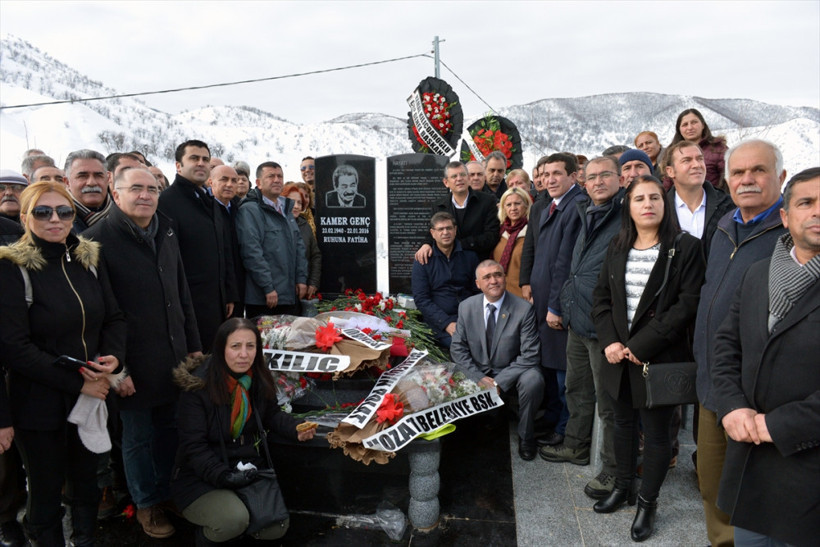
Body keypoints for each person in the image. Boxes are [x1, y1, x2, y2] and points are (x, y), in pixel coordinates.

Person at [0, 181, 126, 546]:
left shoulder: (86, 259)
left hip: (90, 395)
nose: (55, 219)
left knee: (87, 481)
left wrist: (114, 358)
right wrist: (80, 382)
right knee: (45, 488)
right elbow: (13, 348)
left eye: (64, 211)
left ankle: (85, 539)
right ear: (25, 217)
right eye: (43, 211)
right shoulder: (12, 268)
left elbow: (114, 317)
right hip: (38, 402)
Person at [85, 167, 203, 539]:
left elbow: (181, 292)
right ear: (115, 193)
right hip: (131, 364)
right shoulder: (96, 239)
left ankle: (167, 493)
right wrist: (117, 371)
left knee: (170, 428)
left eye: (152, 188)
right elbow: (99, 314)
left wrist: (194, 346)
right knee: (137, 438)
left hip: (173, 355)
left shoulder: (164, 229)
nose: (145, 195)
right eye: (136, 188)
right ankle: (146, 504)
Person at [590, 175, 705, 542]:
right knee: (621, 425)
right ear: (629, 206)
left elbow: (687, 304)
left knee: (656, 435)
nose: (647, 204)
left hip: (655, 358)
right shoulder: (618, 244)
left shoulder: (685, 247)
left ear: (664, 202)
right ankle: (623, 487)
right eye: (639, 198)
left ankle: (647, 502)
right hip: (617, 357)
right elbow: (602, 299)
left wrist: (642, 345)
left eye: (655, 197)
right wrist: (610, 341)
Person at [711, 167, 820, 547]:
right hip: (752, 468)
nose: (817, 212)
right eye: (807, 203)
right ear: (786, 217)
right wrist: (731, 406)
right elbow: (725, 345)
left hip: (808, 467)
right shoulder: (758, 274)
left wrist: (779, 425)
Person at [693, 139, 787, 547]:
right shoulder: (724, 226)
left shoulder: (788, 235)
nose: (746, 179)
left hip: (756, 393)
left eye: (759, 171)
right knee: (712, 480)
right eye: (738, 172)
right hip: (712, 381)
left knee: (752, 490)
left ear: (781, 177)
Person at [171, 318, 315, 544]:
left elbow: (271, 414)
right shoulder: (198, 387)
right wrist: (224, 476)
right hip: (202, 476)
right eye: (235, 346)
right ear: (221, 349)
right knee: (232, 521)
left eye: (250, 346)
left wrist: (296, 429)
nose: (244, 354)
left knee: (275, 528)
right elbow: (193, 447)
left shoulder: (255, 377)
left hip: (244, 466)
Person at [540, 156, 624, 501]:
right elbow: (572, 265)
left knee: (610, 403)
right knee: (577, 389)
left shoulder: (625, 215)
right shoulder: (584, 212)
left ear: (619, 179)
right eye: (593, 177)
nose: (599, 182)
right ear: (584, 182)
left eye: (606, 175)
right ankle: (575, 445)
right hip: (578, 319)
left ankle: (613, 469)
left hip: (605, 324)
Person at [451, 260, 544, 461]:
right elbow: (457, 349)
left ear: (504, 278)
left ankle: (526, 436)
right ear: (478, 284)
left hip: (513, 370)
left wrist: (499, 382)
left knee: (533, 380)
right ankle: (474, 427)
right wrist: (479, 377)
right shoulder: (466, 307)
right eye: (487, 277)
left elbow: (530, 354)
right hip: (480, 370)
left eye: (498, 275)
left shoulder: (523, 309)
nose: (493, 281)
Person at [527, 152, 586, 448]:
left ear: (573, 176)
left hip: (558, 305)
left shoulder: (575, 207)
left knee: (564, 373)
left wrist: (555, 306)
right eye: (546, 174)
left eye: (557, 174)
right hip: (543, 300)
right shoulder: (551, 206)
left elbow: (565, 263)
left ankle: (564, 427)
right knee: (549, 365)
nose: (549, 179)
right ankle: (552, 417)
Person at [158, 140, 237, 350]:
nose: (201, 163)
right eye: (194, 158)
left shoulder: (209, 201)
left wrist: (228, 293)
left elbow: (224, 249)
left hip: (217, 301)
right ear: (178, 165)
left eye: (205, 159)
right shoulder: (166, 203)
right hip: (189, 304)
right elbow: (168, 259)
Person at [236, 162, 307, 317]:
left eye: (280, 176)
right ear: (258, 183)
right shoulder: (250, 210)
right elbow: (251, 252)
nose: (277, 180)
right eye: (271, 176)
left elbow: (299, 246)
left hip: (289, 295)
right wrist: (267, 287)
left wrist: (301, 279)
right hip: (265, 298)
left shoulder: (286, 208)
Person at [412, 212, 479, 347]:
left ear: (455, 230)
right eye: (440, 229)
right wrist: (446, 323)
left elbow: (478, 291)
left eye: (449, 228)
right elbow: (422, 299)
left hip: (469, 319)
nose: (445, 232)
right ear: (433, 233)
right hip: (439, 323)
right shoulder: (423, 261)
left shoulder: (470, 257)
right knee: (461, 346)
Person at [415, 161, 500, 263]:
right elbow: (432, 232)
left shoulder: (487, 201)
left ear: (468, 178)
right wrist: (426, 244)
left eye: (462, 175)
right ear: (446, 183)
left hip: (479, 263)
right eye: (454, 176)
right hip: (448, 264)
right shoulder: (438, 206)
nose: (459, 179)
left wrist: (459, 244)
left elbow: (492, 236)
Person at [664, 140, 734, 259]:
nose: (697, 165)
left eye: (700, 159)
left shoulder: (728, 206)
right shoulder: (661, 210)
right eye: (687, 160)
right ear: (670, 171)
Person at [670, 108, 727, 190]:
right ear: (679, 129)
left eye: (694, 122)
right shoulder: (672, 152)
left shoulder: (719, 149)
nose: (690, 127)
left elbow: (728, 177)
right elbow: (667, 183)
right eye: (685, 124)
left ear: (703, 125)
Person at [282, 182, 321, 300]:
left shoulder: (305, 225)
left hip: (303, 290)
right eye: (292, 202)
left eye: (299, 203)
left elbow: (315, 255)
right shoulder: (276, 224)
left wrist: (313, 282)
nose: (296, 206)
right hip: (282, 290)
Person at [493, 187, 531, 299]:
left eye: (517, 203)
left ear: (526, 205)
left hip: (523, 298)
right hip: (500, 297)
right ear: (503, 207)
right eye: (509, 204)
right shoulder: (499, 231)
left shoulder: (532, 232)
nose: (513, 208)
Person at [64, 149, 114, 233]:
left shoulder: (127, 215)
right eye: (82, 176)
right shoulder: (56, 221)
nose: (92, 183)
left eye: (98, 175)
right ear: (67, 182)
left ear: (108, 179)